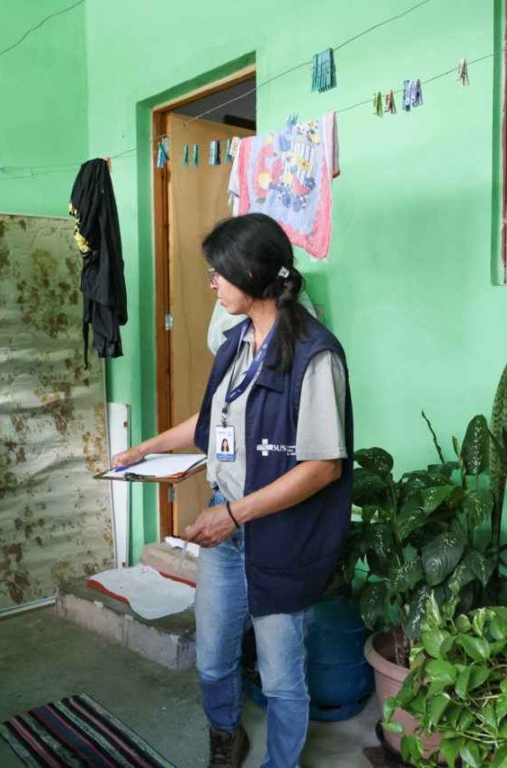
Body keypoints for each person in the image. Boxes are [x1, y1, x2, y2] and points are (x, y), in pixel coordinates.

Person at [113, 213, 353, 768]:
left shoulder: (315, 354)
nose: (212, 283)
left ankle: (281, 762)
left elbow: (322, 468)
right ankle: (227, 734)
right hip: (229, 526)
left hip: (283, 534)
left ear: (248, 271)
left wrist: (236, 515)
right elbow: (211, 422)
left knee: (280, 675)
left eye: (217, 273)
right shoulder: (235, 342)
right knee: (214, 659)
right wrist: (144, 448)